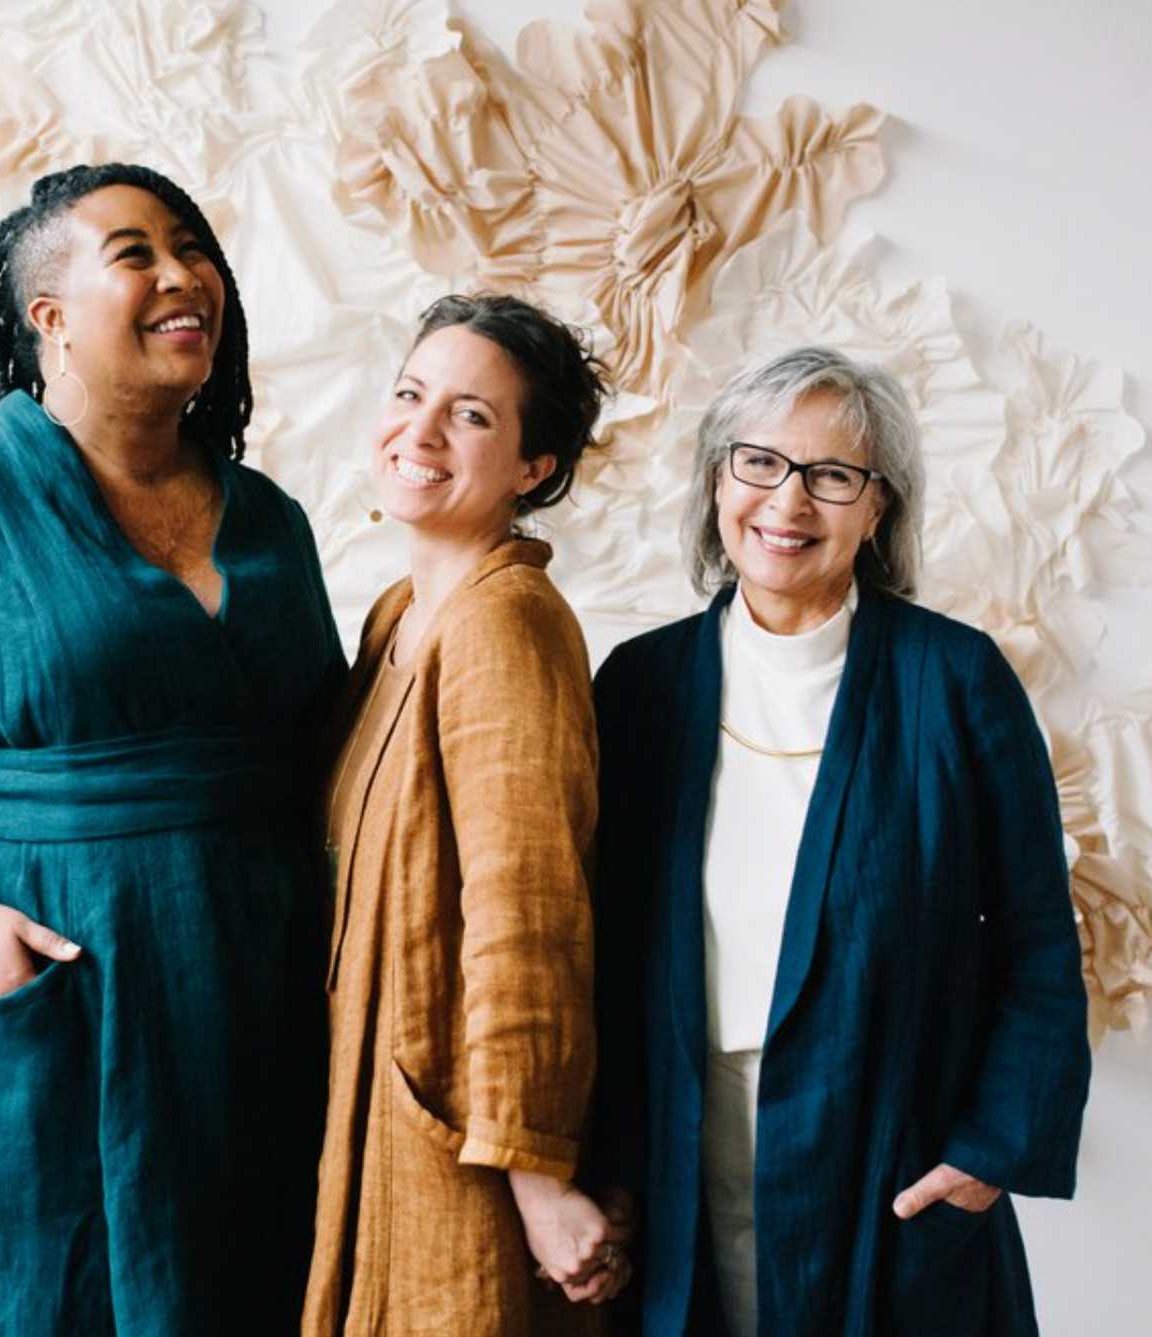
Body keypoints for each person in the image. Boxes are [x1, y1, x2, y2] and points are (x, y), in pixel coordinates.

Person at [0, 163, 342, 1337]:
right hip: (49, 982)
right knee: (31, 1287)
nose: (182, 274)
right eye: (135, 254)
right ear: (49, 317)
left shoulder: (269, 520)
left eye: (191, 248)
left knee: (240, 1279)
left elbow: (321, 749)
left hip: (249, 993)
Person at [591, 346, 1092, 1336]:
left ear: (877, 508)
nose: (788, 500)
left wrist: (989, 1151)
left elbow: (1038, 941)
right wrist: (599, 1163)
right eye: (759, 462)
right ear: (716, 480)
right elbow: (596, 947)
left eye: (830, 475)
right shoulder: (640, 685)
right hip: (679, 1142)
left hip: (887, 1153)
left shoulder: (955, 680)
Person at [301, 293, 628, 1337]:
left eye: (472, 415)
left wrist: (538, 1178)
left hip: (462, 1143)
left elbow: (526, 911)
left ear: (534, 467)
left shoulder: (505, 622)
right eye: (410, 394)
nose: (422, 430)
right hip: (371, 1116)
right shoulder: (397, 617)